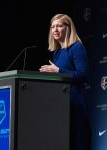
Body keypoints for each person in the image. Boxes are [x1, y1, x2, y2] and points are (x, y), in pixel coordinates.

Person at [39, 14, 91, 150]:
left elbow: (83, 74)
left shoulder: (76, 48)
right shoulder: (57, 52)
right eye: (53, 27)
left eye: (59, 26)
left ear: (68, 28)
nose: (55, 30)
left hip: (76, 106)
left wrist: (58, 71)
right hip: (61, 106)